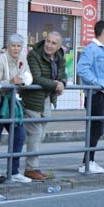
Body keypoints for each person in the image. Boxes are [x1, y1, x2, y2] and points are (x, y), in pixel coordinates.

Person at [0, 33, 32, 182]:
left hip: (12, 103)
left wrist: (25, 81)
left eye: (19, 46)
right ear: (8, 46)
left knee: (19, 136)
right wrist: (11, 81)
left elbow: (27, 75)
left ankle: (14, 171)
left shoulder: (23, 58)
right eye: (13, 46)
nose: (16, 49)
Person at [76, 20, 104, 173]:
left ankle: (89, 161)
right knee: (95, 129)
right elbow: (81, 69)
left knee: (98, 129)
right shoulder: (92, 49)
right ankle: (87, 163)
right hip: (97, 95)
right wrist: (98, 83)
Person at [22, 31, 67, 181]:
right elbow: (37, 78)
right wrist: (57, 85)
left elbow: (63, 76)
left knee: (40, 135)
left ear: (59, 46)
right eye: (48, 41)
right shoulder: (34, 54)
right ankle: (31, 169)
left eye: (54, 43)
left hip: (47, 99)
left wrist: (62, 84)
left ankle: (33, 166)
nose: (49, 45)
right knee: (35, 133)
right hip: (33, 100)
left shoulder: (60, 57)